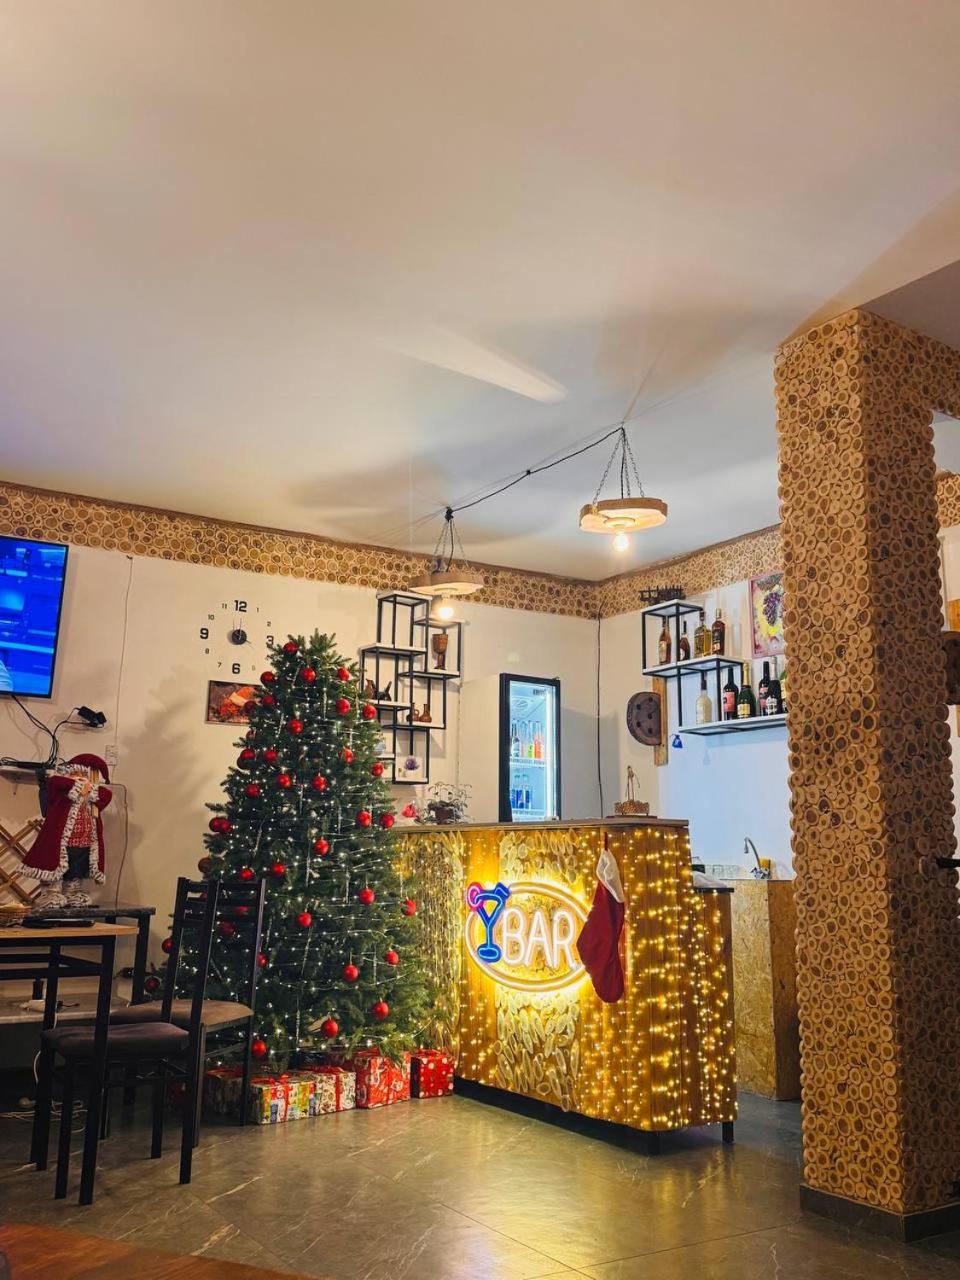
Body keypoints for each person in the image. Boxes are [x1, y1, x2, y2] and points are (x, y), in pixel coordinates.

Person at [21, 753, 112, 908]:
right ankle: (51, 894)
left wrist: (90, 789)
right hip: (60, 841)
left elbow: (106, 795)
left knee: (76, 870)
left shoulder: (91, 795)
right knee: (54, 868)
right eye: (75, 773)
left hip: (83, 843)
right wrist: (77, 786)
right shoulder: (61, 789)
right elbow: (55, 783)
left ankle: (72, 893)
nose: (80, 777)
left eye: (84, 775)